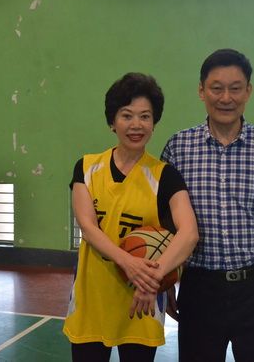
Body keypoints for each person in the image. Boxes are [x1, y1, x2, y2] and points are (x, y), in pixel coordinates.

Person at [161, 49, 254, 362]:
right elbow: (167, 221)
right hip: (200, 287)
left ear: (248, 91)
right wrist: (168, 278)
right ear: (201, 91)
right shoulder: (178, 148)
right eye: (216, 88)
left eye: (235, 88)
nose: (226, 98)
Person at [63, 72, 199, 362]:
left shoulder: (165, 176)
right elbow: (88, 227)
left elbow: (189, 233)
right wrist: (129, 262)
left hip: (142, 299)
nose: (136, 125)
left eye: (145, 117)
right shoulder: (86, 167)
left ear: (154, 123)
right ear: (112, 122)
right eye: (127, 115)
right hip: (92, 298)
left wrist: (152, 278)